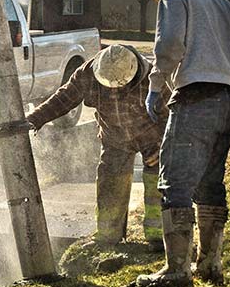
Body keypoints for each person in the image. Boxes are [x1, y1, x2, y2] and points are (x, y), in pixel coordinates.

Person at [137, 0, 230, 287]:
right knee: (210, 185)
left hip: (196, 97)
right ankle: (209, 265)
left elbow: (170, 46)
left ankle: (176, 271)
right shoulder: (227, 6)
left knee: (174, 182)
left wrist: (155, 87)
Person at [27, 44, 168, 250]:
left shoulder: (153, 80)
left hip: (151, 137)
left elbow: (173, 116)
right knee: (110, 183)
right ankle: (108, 236)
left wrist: (162, 145)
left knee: (157, 183)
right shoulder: (88, 73)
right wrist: (34, 119)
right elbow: (64, 98)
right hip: (115, 138)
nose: (113, 91)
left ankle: (158, 238)